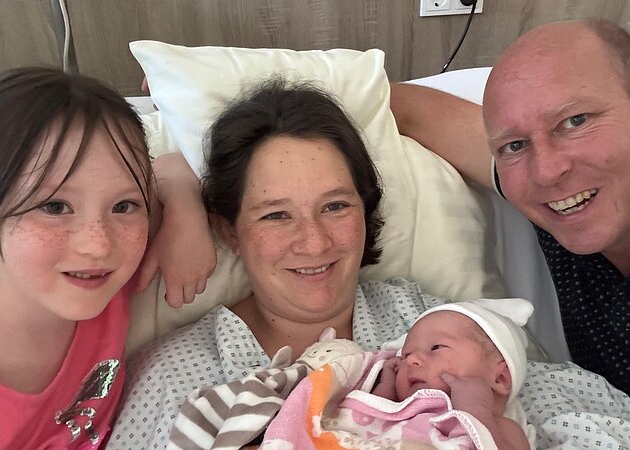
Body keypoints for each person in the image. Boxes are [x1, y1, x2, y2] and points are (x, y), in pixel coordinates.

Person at [390, 18, 630, 448]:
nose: (547, 172)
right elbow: (407, 107)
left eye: (575, 121)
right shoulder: (558, 201)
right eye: (515, 145)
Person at [106, 77, 451, 449]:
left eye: (335, 206)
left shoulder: (437, 326)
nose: (314, 242)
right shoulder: (170, 380)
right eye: (276, 215)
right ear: (229, 229)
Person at [0, 67, 214, 449]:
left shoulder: (107, 266)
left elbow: (172, 166)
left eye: (123, 205)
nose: (98, 245)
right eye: (55, 207)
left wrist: (185, 218)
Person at [371, 302, 531, 450]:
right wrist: (384, 393)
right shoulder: (403, 411)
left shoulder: (503, 429)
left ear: (500, 378)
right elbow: (367, 425)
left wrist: (477, 414)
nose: (412, 359)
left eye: (437, 347)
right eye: (405, 355)